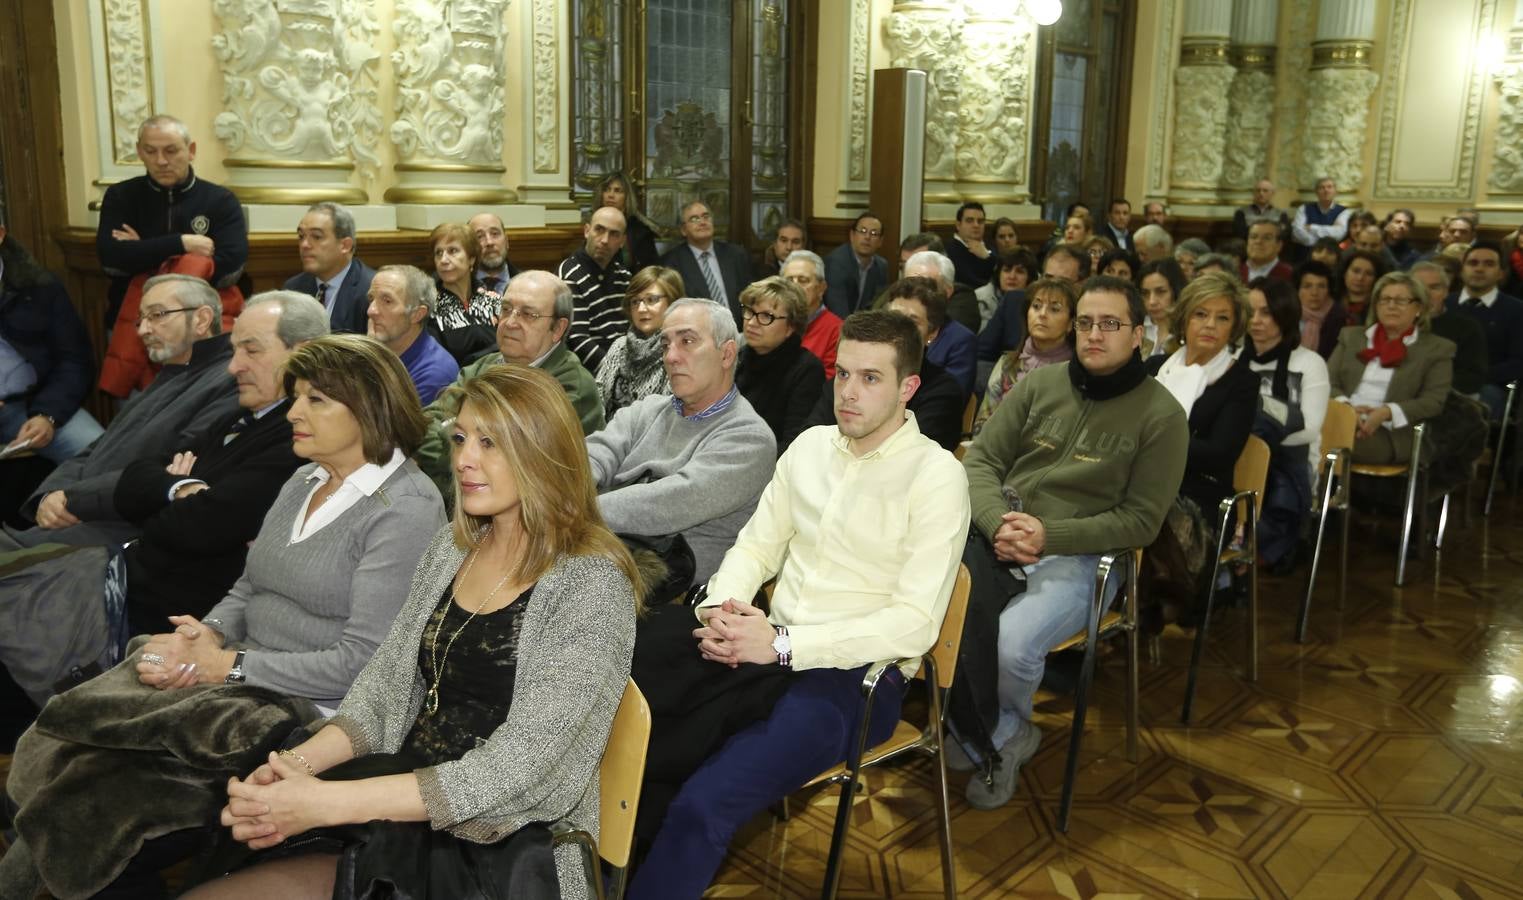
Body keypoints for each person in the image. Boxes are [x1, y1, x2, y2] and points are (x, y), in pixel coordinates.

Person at [0, 334, 445, 900]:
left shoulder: (405, 510)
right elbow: (248, 585)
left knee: (93, 804)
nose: (295, 412)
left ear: (369, 409)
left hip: (307, 716)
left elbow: (360, 666)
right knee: (69, 757)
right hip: (239, 682)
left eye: (315, 400)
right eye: (296, 396)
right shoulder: (304, 478)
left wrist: (225, 666)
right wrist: (204, 635)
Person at [183, 365, 640, 900]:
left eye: (490, 443)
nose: (465, 460)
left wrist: (325, 803)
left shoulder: (591, 583)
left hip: (501, 842)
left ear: (542, 453)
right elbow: (384, 693)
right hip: (399, 803)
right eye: (462, 438)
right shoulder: (452, 549)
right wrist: (293, 770)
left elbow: (519, 770)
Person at [626, 309, 969, 900]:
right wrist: (722, 609)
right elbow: (754, 548)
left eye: (871, 379)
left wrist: (784, 646)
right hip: (765, 643)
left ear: (908, 388)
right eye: (842, 375)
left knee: (704, 804)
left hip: (855, 678)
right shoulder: (810, 448)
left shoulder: (936, 477)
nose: (849, 393)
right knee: (632, 722)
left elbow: (913, 625)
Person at [0, 291, 329, 707]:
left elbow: (200, 527)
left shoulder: (296, 439)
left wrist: (167, 499)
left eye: (251, 350)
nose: (233, 366)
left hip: (156, 608)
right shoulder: (243, 414)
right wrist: (178, 489)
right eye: (233, 350)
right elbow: (139, 474)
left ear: (303, 354)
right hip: (128, 573)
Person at [956, 274, 1188, 806]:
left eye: (1110, 324)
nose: (1094, 334)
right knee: (936, 610)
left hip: (1084, 557)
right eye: (1085, 322)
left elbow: (1141, 521)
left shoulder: (1163, 416)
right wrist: (997, 522)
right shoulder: (1041, 384)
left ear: (1139, 337)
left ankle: (1008, 726)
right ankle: (984, 725)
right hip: (1001, 535)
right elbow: (983, 459)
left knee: (1010, 643)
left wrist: (1048, 534)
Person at [5, 274, 238, 550]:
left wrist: (72, 498)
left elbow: (167, 466)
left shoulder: (229, 381)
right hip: (83, 517)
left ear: (201, 319)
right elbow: (96, 449)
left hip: (120, 531)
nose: (142, 330)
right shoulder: (170, 374)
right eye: (141, 319)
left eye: (157, 315)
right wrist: (48, 497)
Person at [588, 298, 774, 584]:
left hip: (670, 589)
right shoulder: (645, 410)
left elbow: (666, 504)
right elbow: (594, 455)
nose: (671, 356)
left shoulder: (749, 439)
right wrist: (559, 491)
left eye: (687, 341)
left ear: (726, 354)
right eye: (665, 345)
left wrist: (573, 510)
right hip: (602, 550)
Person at [417, 271, 605, 499]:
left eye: (528, 314)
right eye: (506, 309)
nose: (511, 322)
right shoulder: (483, 366)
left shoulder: (569, 385)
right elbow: (423, 424)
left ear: (557, 329)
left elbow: (511, 463)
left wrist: (451, 433)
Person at [1144, 271, 1259, 627]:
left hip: (1201, 497)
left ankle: (1144, 612)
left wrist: (1150, 441)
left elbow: (1220, 452)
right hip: (1144, 484)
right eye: (1200, 314)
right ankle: (1122, 610)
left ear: (1234, 327)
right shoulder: (1152, 369)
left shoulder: (1241, 381)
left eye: (1222, 317)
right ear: (1184, 318)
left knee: (1139, 514)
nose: (1210, 325)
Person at [95, 115, 247, 324]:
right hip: (132, 321)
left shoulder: (221, 200)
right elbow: (112, 263)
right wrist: (181, 243)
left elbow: (229, 272)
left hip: (201, 322)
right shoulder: (121, 196)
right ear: (139, 151)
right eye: (150, 151)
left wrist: (142, 251)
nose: (161, 161)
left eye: (171, 151)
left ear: (191, 150)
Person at [1240, 279, 1330, 573]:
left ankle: (1256, 549)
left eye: (1266, 313)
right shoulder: (1231, 358)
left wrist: (1259, 448)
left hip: (1290, 457)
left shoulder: (1309, 363)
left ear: (1285, 314)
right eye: (1250, 312)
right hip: (1237, 453)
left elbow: (1311, 428)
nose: (1256, 321)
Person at [1328, 271, 1456, 464]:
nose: (1391, 306)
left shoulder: (1437, 349)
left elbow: (1433, 401)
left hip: (1392, 433)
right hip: (1341, 418)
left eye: (1401, 300)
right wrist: (1347, 409)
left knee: (1332, 444)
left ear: (1419, 308)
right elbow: (1328, 381)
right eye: (1385, 299)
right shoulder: (1351, 336)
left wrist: (1386, 412)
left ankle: (1330, 493)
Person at [0, 226, 104, 463]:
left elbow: (75, 360)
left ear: (1, 234)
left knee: (101, 458)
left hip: (33, 405)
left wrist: (48, 415)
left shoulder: (38, 285)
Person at [973, 277, 1076, 433]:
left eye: (1054, 309)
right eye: (1036, 306)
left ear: (1071, 323)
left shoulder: (1075, 372)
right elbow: (982, 423)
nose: (1042, 314)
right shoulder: (1008, 362)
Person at [736, 277, 825, 454]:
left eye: (766, 316)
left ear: (791, 327)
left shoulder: (807, 369)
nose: (752, 322)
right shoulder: (739, 357)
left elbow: (795, 443)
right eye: (749, 311)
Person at [978, 244, 1090, 368]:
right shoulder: (1014, 301)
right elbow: (981, 356)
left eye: (1063, 282)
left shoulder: (1090, 321)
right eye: (1048, 278)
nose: (1053, 287)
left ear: (1082, 283)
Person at [595, 265, 683, 418]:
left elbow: (671, 415)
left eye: (651, 300)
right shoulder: (620, 346)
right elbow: (597, 400)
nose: (641, 309)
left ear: (673, 301)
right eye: (635, 301)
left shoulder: (680, 350)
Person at [365, 264, 459, 403]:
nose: (371, 311)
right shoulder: (379, 350)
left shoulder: (434, 375)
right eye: (371, 299)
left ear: (417, 314)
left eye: (387, 301)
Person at [281, 201, 374, 335]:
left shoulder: (369, 291)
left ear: (345, 245)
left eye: (317, 237)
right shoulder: (293, 288)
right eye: (301, 236)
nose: (304, 245)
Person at [558, 206, 632, 371]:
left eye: (614, 234)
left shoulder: (624, 276)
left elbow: (636, 330)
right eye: (599, 230)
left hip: (626, 365)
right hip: (591, 372)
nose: (605, 240)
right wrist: (616, 373)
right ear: (586, 231)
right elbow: (578, 340)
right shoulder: (570, 273)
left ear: (622, 241)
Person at [658, 201, 753, 326]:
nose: (702, 222)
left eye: (706, 216)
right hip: (697, 331)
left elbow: (750, 295)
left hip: (740, 329)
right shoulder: (671, 263)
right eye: (694, 219)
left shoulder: (736, 255)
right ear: (683, 230)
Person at [895, 259, 977, 395]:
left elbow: (951, 397)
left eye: (926, 286)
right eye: (909, 283)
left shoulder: (961, 340)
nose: (915, 291)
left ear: (947, 291)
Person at [1412, 259, 1488, 398]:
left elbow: (1472, 378)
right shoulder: (1395, 323)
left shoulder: (1467, 327)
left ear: (1446, 291)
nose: (1426, 294)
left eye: (1434, 287)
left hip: (1446, 398)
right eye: (1419, 287)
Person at [427, 222, 500, 366]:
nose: (443, 260)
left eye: (452, 251)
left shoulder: (492, 300)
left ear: (471, 258)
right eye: (438, 253)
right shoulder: (430, 306)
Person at [783, 249, 842, 378]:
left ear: (821, 288)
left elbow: (828, 383)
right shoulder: (774, 322)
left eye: (803, 280)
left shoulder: (836, 330)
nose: (794, 286)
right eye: (789, 280)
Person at [823, 210, 888, 317]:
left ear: (880, 241)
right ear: (852, 235)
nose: (867, 237)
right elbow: (838, 311)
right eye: (862, 231)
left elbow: (878, 307)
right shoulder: (836, 263)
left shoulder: (881, 266)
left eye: (873, 233)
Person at [597, 171, 661, 272]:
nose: (610, 195)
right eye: (607, 190)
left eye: (617, 191)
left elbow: (650, 271)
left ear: (627, 197)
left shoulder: (641, 232)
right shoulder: (593, 225)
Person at [975, 247, 1038, 331]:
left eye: (1019, 272)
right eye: (1007, 270)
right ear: (998, 274)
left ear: (1029, 278)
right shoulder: (980, 298)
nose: (1012, 277)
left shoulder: (1037, 301)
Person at [1296, 260, 1347, 359]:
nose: (1314, 293)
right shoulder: (1285, 316)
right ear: (1297, 290)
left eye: (1321, 286)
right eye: (1307, 286)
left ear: (1329, 290)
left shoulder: (1339, 319)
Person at [1138, 257, 1186, 358]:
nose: (1152, 301)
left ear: (1176, 291)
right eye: (1145, 293)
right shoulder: (1136, 327)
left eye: (1160, 292)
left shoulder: (1187, 330)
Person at [1291, 177, 1352, 250]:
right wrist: (1320, 243)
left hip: (1332, 254)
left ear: (1335, 191)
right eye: (1322, 187)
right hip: (1306, 253)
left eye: (1329, 187)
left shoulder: (1343, 211)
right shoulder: (1303, 209)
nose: (1326, 190)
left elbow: (1338, 234)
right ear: (1316, 192)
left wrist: (1311, 227)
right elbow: (1297, 232)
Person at [468, 212, 519, 296]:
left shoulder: (527, 283)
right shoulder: (458, 288)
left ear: (506, 241)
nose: (489, 242)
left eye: (495, 234)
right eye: (479, 237)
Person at [947, 202, 994, 288]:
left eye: (980, 221)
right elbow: (968, 283)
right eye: (970, 221)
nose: (976, 225)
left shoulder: (990, 247)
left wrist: (987, 257)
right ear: (958, 225)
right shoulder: (949, 251)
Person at [1339, 249, 1386, 325]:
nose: (1360, 278)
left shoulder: (1380, 309)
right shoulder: (1329, 300)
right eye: (1356, 271)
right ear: (1345, 272)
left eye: (1369, 274)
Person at [1241, 218, 1293, 284]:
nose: (1258, 241)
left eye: (1266, 238)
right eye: (1253, 237)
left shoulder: (1290, 275)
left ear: (1279, 246)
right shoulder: (1234, 272)